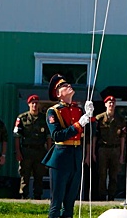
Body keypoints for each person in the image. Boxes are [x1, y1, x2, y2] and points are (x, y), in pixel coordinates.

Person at [42, 74, 95, 218]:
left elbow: (89, 133)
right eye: (63, 86)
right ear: (58, 94)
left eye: (67, 83)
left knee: (70, 203)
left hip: (75, 156)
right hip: (61, 156)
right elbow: (57, 135)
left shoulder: (77, 110)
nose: (68, 85)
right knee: (56, 203)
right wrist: (79, 124)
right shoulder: (53, 111)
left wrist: (89, 116)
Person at [13, 94, 52, 199]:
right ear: (29, 104)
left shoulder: (44, 119)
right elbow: (17, 136)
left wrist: (48, 152)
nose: (34, 105)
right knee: (24, 175)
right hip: (26, 151)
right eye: (32, 103)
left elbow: (48, 137)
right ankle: (24, 196)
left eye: (36, 103)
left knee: (39, 175)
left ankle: (37, 196)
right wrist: (18, 152)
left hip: (40, 151)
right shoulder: (22, 118)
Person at [92, 95, 126, 201]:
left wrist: (121, 154)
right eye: (109, 103)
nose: (111, 104)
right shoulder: (99, 118)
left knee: (113, 175)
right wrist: (93, 152)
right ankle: (102, 197)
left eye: (113, 103)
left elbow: (122, 137)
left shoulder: (120, 119)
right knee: (102, 174)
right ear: (105, 104)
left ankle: (111, 197)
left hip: (115, 149)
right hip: (103, 149)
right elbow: (94, 136)